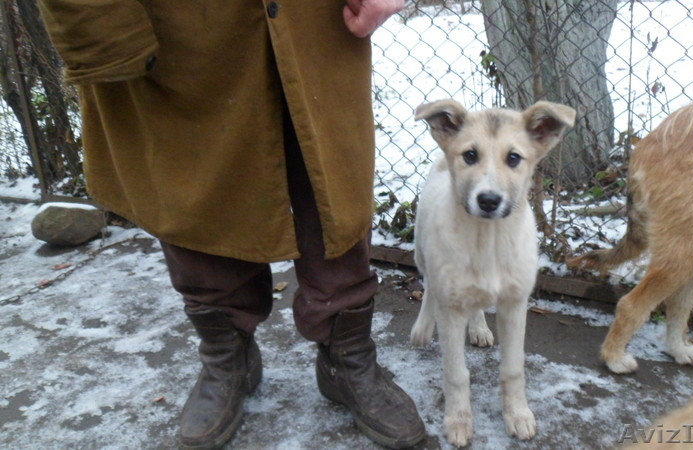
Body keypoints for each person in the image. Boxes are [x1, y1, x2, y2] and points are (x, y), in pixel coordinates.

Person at [37, 1, 426, 449]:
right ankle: (228, 358)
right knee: (192, 183)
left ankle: (347, 359)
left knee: (328, 172)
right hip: (174, 24)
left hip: (315, 17)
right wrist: (97, 28)